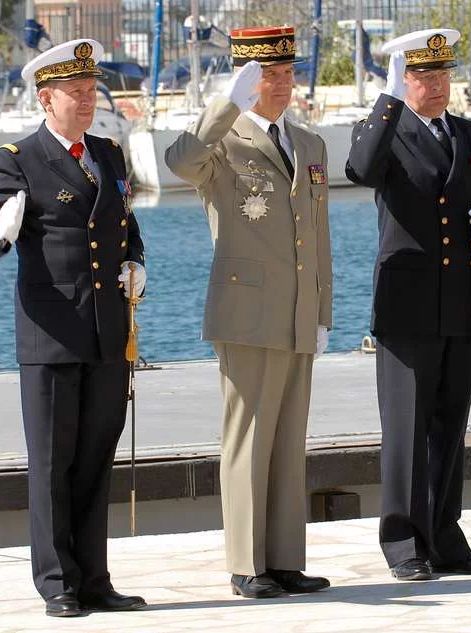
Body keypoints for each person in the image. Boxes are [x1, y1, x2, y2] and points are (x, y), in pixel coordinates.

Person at [0, 39, 147, 617]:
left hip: (107, 332)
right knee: (50, 466)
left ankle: (94, 579)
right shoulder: (18, 158)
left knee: (94, 462)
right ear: (46, 98)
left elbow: (124, 225)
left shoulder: (108, 153)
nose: (88, 101)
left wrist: (135, 261)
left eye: (92, 91)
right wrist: (0, 231)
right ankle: (56, 582)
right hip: (53, 335)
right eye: (76, 92)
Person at [164, 26, 332, 599]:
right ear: (246, 80)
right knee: (249, 438)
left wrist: (323, 310)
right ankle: (245, 563)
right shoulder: (223, 141)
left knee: (288, 440)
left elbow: (319, 236)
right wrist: (224, 105)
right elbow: (179, 161)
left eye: (287, 74)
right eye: (267, 76)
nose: (280, 85)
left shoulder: (308, 144)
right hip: (246, 311)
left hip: (297, 311)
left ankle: (283, 560)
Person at [345, 28, 471, 580]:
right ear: (403, 79)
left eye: (443, 75)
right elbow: (359, 169)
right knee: (407, 430)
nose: (437, 85)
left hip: (462, 300)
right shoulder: (384, 130)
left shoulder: (470, 134)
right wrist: (387, 101)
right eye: (423, 76)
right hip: (407, 303)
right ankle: (403, 543)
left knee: (449, 424)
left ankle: (444, 537)